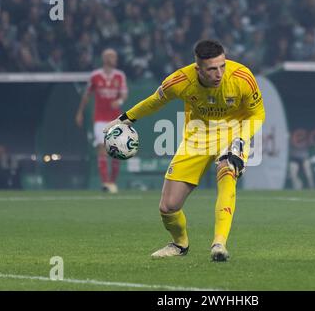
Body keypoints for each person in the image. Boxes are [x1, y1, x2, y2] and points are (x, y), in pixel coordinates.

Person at [103, 40, 265, 262]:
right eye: (212, 69)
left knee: (227, 172)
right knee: (168, 207)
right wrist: (126, 118)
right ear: (198, 68)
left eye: (222, 66)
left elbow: (257, 114)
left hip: (233, 133)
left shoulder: (242, 77)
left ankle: (219, 243)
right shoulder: (181, 81)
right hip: (197, 138)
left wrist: (241, 140)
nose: (219, 73)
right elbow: (154, 101)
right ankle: (180, 245)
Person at [75, 48, 128, 193]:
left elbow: (124, 94)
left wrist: (119, 101)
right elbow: (87, 95)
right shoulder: (95, 76)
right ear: (105, 58)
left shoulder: (120, 76)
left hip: (116, 118)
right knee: (102, 148)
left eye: (115, 56)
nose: (114, 58)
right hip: (100, 118)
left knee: (116, 151)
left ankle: (112, 182)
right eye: (111, 56)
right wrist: (80, 112)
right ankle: (105, 183)